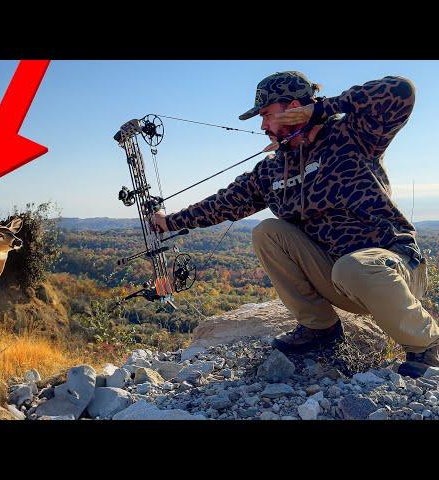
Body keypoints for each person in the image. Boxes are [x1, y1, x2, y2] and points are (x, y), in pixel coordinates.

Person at [152, 71, 439, 378]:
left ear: (293, 108)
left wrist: (323, 108)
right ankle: (320, 329)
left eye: (266, 115)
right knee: (267, 233)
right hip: (338, 277)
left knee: (353, 267)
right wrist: (168, 222)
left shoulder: (353, 135)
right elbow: (225, 202)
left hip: (394, 267)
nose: (263, 126)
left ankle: (426, 343)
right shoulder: (274, 167)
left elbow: (400, 90)